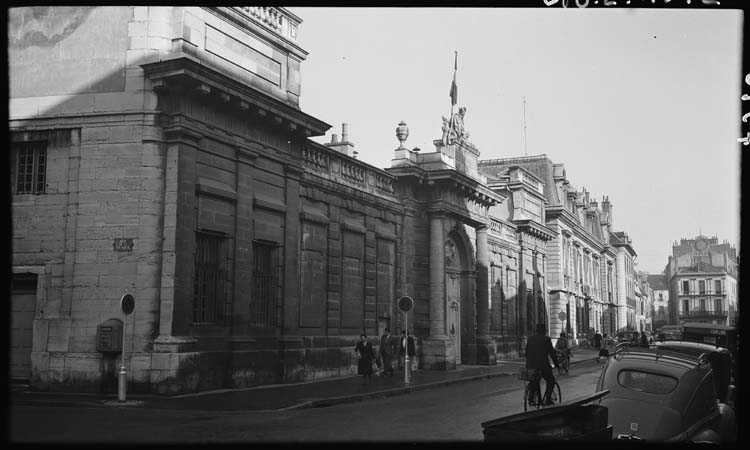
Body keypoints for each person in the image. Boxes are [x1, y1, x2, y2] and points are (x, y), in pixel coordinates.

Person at [526, 323, 559, 406]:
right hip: (543, 365)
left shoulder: (530, 339)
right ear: (544, 331)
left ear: (536, 330)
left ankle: (531, 398)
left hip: (530, 366)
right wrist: (556, 364)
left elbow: (526, 353)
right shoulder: (546, 339)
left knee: (534, 381)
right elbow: (552, 353)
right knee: (551, 381)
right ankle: (547, 399)